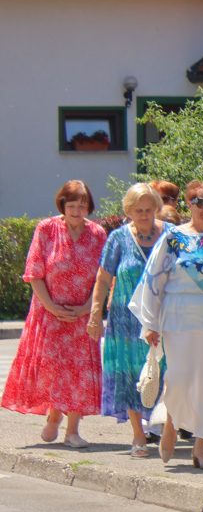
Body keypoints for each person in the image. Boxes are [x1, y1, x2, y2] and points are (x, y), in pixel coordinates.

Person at [129, 181, 203, 469]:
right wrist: (150, 322)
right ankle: (171, 422)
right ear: (189, 203)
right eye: (201, 202)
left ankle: (201, 447)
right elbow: (153, 279)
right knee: (178, 377)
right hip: (177, 314)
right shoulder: (173, 237)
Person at [1, 180, 107, 448]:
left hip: (81, 314)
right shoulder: (46, 229)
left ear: (88, 206)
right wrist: (50, 306)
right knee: (54, 370)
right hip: (49, 313)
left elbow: (103, 277)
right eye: (71, 205)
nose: (76, 209)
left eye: (82, 205)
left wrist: (88, 308)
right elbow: (34, 272)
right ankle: (53, 417)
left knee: (79, 372)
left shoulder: (96, 233)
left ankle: (73, 431)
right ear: (63, 205)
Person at [86, 183, 167, 457]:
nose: (144, 215)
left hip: (162, 317)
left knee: (166, 373)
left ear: (156, 208)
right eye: (138, 211)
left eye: (149, 210)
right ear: (129, 211)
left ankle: (166, 430)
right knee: (130, 374)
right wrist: (96, 314)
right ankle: (137, 434)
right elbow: (103, 277)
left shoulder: (170, 236)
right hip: (125, 320)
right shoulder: (118, 238)